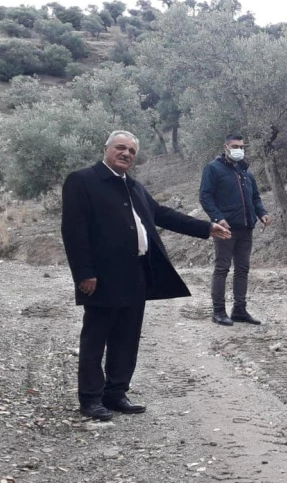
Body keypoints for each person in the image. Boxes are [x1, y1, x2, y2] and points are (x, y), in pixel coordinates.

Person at [61, 130, 230, 421]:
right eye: (120, 148)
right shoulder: (82, 181)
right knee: (95, 337)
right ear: (106, 149)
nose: (126, 154)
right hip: (101, 276)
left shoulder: (134, 187)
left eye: (131, 151)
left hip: (136, 273)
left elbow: (162, 214)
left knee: (126, 338)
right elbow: (73, 231)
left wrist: (206, 228)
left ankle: (115, 393)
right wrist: (84, 273)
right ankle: (90, 399)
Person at [199, 134, 271, 326]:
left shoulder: (246, 171)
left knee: (242, 269)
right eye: (235, 146)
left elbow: (255, 197)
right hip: (225, 229)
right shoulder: (213, 169)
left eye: (241, 146)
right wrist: (218, 219)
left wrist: (261, 213)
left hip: (246, 228)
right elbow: (205, 197)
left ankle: (239, 310)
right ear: (226, 147)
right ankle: (218, 312)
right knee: (222, 268)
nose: (239, 149)